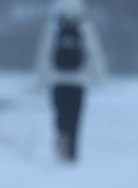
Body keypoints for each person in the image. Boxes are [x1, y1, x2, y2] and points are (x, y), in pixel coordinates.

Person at [34, 0, 107, 162]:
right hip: (78, 81)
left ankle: (61, 144)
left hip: (57, 80)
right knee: (74, 117)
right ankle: (72, 152)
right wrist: (99, 78)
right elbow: (94, 51)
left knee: (60, 115)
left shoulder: (53, 25)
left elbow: (44, 51)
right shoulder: (85, 25)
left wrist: (42, 77)